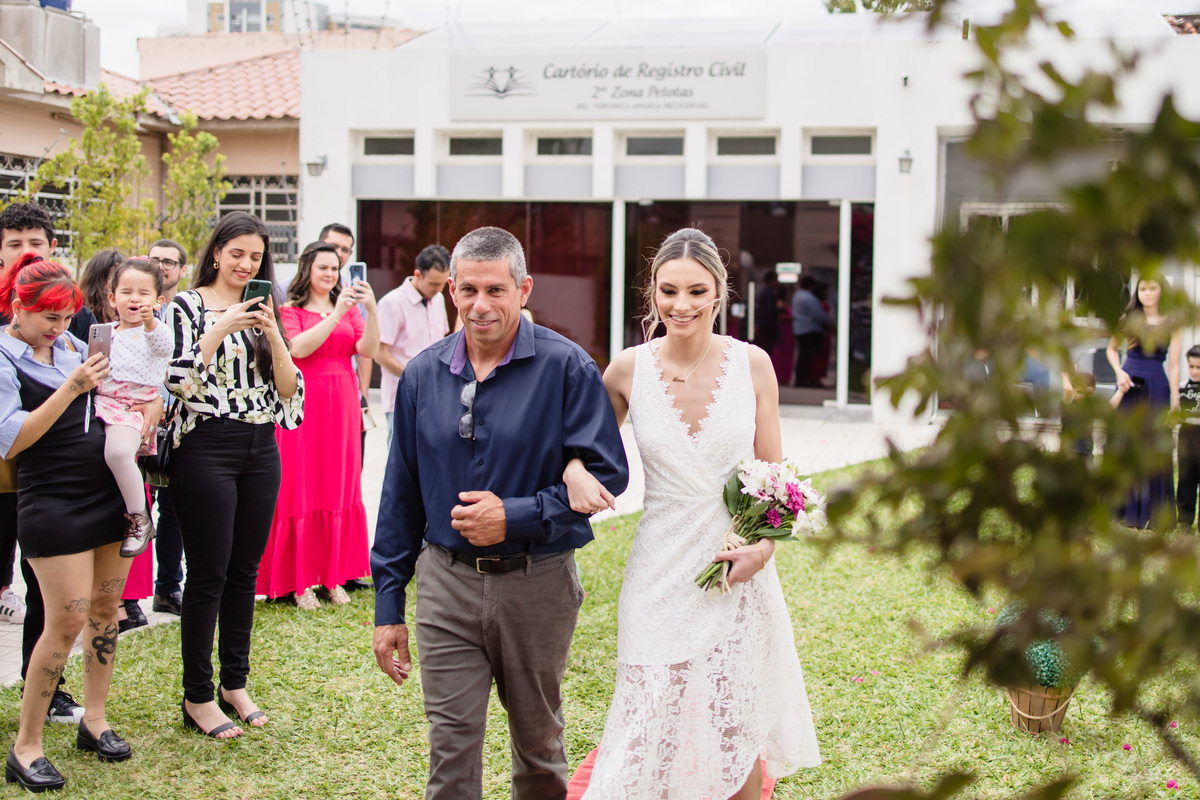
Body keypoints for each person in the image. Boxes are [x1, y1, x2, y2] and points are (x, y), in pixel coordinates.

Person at [370, 226, 628, 799]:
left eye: (495, 290)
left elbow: (608, 476)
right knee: (450, 748)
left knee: (538, 747)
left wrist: (514, 515)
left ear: (524, 289)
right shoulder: (422, 374)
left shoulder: (567, 368)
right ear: (451, 291)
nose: (480, 305)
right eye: (467, 290)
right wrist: (389, 607)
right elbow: (399, 496)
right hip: (445, 584)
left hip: (537, 584)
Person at [567, 228, 821, 799]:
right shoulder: (626, 370)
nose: (680, 305)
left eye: (696, 291)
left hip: (735, 568)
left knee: (736, 720)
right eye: (668, 291)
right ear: (652, 294)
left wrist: (762, 549)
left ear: (719, 293)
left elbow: (776, 479)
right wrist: (573, 468)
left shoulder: (753, 365)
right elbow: (582, 447)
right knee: (650, 713)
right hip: (658, 568)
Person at [0, 256, 136, 791]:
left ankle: (94, 720)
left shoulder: (75, 347)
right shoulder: (4, 357)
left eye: (65, 318)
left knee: (105, 609)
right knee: (66, 620)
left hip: (107, 495)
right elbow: (14, 439)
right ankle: (26, 746)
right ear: (18, 307)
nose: (59, 329)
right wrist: (72, 386)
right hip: (51, 501)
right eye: (48, 318)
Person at [166, 211, 303, 739]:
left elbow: (288, 391)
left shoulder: (267, 308)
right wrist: (222, 326)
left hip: (261, 445)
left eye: (256, 256)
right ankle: (197, 695)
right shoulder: (187, 306)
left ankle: (234, 684)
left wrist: (274, 335)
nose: (246, 264)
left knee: (245, 570)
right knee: (208, 573)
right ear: (218, 252)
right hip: (206, 444)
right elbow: (177, 380)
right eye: (238, 253)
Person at [0, 204, 96, 724]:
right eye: (15, 243)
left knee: (46, 592)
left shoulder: (66, 331)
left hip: (49, 484)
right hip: (14, 469)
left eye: (34, 242)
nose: (26, 252)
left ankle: (46, 688)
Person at [258, 241, 378, 609]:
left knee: (337, 485)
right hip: (304, 402)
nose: (329, 274)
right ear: (307, 268)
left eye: (334, 268)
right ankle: (298, 582)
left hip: (342, 401)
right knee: (300, 486)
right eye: (322, 267)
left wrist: (371, 311)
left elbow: (368, 350)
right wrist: (337, 313)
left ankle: (332, 575)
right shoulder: (289, 310)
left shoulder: (350, 309)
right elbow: (297, 348)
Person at [94, 257, 172, 558]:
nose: (134, 299)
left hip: (133, 407)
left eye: (143, 293)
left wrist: (151, 321)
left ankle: (140, 517)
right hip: (101, 402)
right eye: (126, 292)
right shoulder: (104, 332)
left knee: (117, 454)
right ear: (112, 298)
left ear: (158, 301)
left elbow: (164, 347)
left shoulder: (156, 332)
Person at [1107, 278, 1181, 529]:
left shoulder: (1173, 322)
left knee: (1154, 444)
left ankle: (1152, 514)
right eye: (1142, 289)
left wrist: (1176, 401)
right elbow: (1111, 350)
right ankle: (1122, 511)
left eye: (1152, 288)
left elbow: (1174, 366)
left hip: (1157, 385)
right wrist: (1119, 373)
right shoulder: (1128, 319)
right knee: (1125, 443)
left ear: (1162, 292)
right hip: (1128, 383)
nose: (1146, 293)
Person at [147, 239, 189, 616]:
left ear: (182, 270)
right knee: (135, 509)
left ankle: (167, 587)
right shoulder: (136, 307)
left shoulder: (187, 312)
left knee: (173, 509)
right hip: (136, 419)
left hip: (176, 422)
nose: (162, 266)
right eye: (155, 260)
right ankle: (125, 595)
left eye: (169, 262)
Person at [374, 244, 450, 442]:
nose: (439, 289)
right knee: (400, 455)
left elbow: (442, 343)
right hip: (402, 397)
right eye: (434, 284)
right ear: (417, 274)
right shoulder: (391, 303)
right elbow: (379, 353)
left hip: (436, 396)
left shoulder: (438, 299)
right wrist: (413, 378)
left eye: (443, 283)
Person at [791, 273, 832, 387]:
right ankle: (804, 380)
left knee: (802, 355)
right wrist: (830, 324)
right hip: (810, 329)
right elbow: (818, 315)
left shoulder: (796, 296)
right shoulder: (810, 298)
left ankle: (800, 379)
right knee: (808, 356)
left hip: (799, 329)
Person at [1178, 345, 1200, 529]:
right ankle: (1185, 523)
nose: (1194, 371)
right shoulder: (1182, 386)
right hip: (1186, 434)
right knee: (1186, 478)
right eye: (1191, 366)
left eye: (1199, 367)